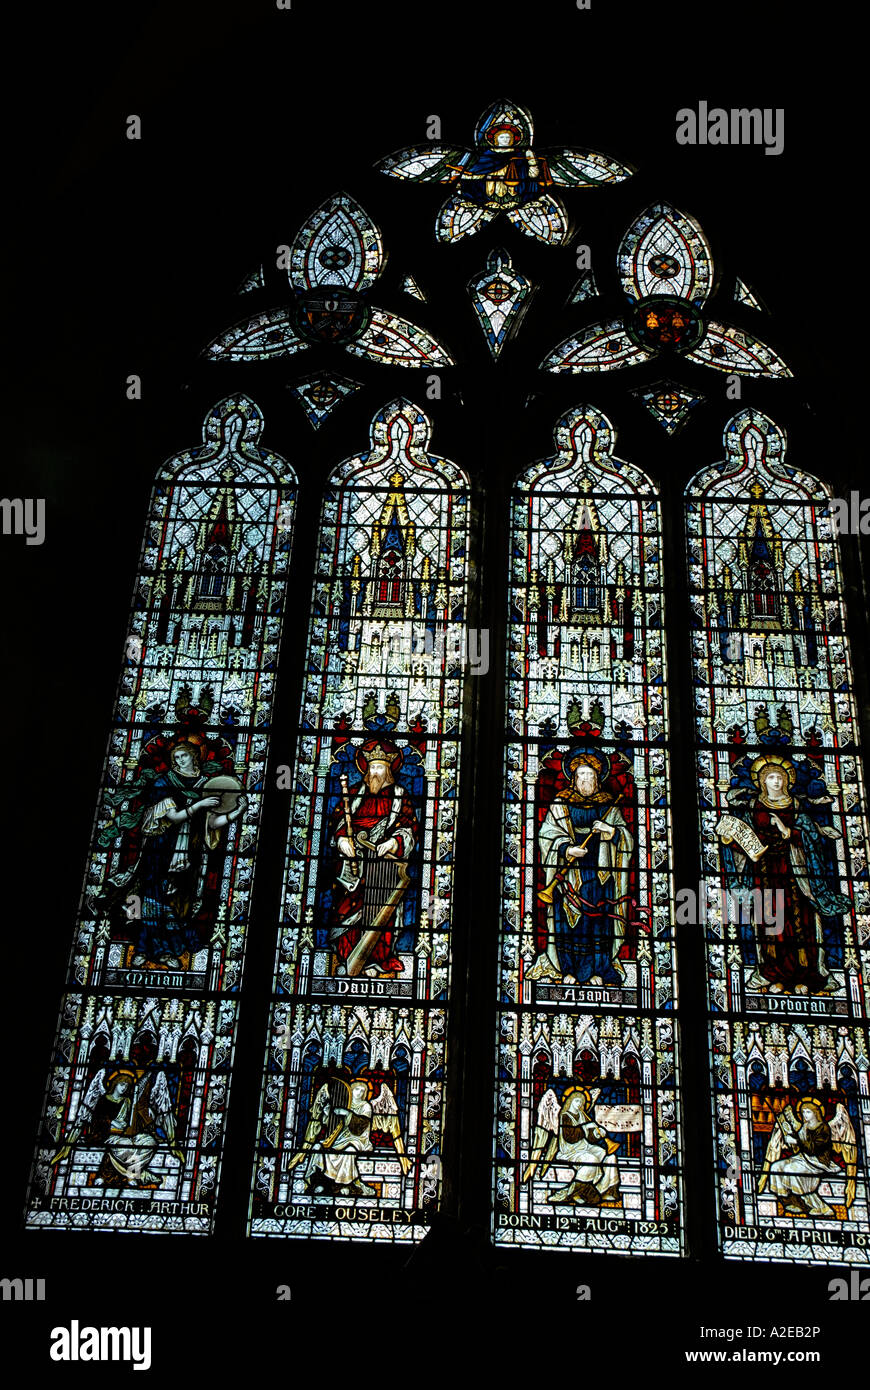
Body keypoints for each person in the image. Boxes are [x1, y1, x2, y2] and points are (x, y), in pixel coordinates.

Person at [100, 740, 246, 968]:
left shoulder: (206, 784)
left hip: (190, 853)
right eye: (176, 758)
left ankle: (169, 951)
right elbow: (174, 817)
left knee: (178, 904)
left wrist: (237, 810)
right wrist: (199, 805)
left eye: (183, 757)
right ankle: (145, 949)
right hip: (161, 849)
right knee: (151, 899)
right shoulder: (164, 782)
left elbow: (213, 822)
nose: (179, 761)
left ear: (194, 757)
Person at [718, 754, 848, 994]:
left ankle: (807, 975)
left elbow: (815, 839)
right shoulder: (752, 806)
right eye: (771, 778)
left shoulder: (796, 806)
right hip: (764, 873)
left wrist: (788, 832)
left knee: (802, 923)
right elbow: (744, 839)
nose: (776, 782)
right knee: (768, 923)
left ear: (787, 781)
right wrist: (730, 839)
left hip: (795, 874)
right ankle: (771, 973)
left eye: (780, 777)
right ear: (762, 782)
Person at [531, 751, 633, 985]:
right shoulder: (560, 803)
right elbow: (547, 836)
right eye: (580, 775)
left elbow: (628, 840)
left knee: (598, 922)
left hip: (601, 874)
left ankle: (598, 970)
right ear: (573, 779)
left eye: (590, 775)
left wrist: (611, 832)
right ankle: (567, 970)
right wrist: (567, 849)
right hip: (568, 873)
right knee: (566, 924)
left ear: (598, 779)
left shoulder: (609, 804)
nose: (585, 780)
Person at [329, 740, 418, 976]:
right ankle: (348, 956)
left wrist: (394, 842)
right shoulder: (356, 795)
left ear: (389, 770)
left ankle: (377, 959)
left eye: (379, 768)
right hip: (352, 868)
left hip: (383, 868)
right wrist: (342, 841)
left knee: (381, 912)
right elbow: (338, 823)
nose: (374, 773)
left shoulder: (400, 796)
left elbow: (409, 826)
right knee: (347, 911)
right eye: (371, 768)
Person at [51, 1065, 183, 1189]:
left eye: (126, 1085)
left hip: (128, 1133)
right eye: (122, 1084)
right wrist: (111, 1123)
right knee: (124, 1147)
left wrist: (149, 1114)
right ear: (115, 1084)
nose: (124, 1088)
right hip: (109, 1134)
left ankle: (131, 1173)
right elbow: (96, 1120)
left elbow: (135, 1120)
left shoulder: (127, 1101)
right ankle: (132, 1175)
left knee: (150, 1143)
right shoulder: (104, 1099)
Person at [524, 1087, 621, 1206]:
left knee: (606, 1155)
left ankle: (605, 1190)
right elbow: (570, 1137)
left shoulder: (582, 1115)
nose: (579, 1104)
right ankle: (576, 1192)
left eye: (581, 1102)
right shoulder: (565, 1116)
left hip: (584, 1147)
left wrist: (597, 1133)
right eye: (577, 1101)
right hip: (570, 1150)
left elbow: (590, 1138)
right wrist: (585, 1128)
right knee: (592, 1160)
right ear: (570, 1101)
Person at [760, 1097, 856, 1217]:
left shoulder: (823, 1128)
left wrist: (796, 1141)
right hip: (802, 1158)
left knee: (791, 1170)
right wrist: (788, 1131)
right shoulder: (804, 1126)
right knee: (776, 1167)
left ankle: (820, 1207)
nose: (805, 1114)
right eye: (803, 1112)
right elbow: (799, 1144)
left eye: (808, 1112)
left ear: (816, 1112)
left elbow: (813, 1148)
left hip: (817, 1161)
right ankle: (791, 1202)